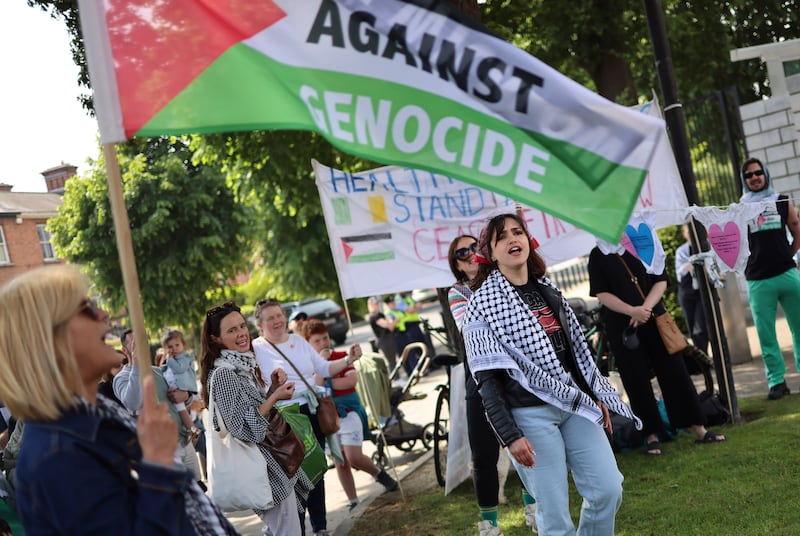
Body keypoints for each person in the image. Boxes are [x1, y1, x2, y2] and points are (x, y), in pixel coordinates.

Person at [0, 265, 236, 534]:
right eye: (86, 309)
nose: (103, 314)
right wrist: (159, 463)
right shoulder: (57, 457)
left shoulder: (97, 414)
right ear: (52, 341)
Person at [463, 214, 641, 535]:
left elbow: (573, 355)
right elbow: (486, 382)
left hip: (574, 404)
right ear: (490, 252)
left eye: (518, 232)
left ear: (529, 242)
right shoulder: (482, 306)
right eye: (501, 237)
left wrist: (593, 396)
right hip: (529, 417)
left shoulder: (549, 289)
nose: (512, 240)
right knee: (555, 516)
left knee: (608, 489)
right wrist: (510, 435)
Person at [588, 239, 726, 455]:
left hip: (654, 319)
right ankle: (650, 436)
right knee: (636, 380)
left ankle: (698, 428)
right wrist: (631, 311)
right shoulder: (598, 255)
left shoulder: (645, 242)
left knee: (675, 373)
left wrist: (644, 308)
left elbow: (660, 280)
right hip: (623, 326)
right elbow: (601, 293)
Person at [447, 234, 537, 536]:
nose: (471, 254)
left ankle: (534, 508)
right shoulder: (457, 292)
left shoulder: (504, 278)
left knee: (527, 444)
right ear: (457, 265)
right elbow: (470, 329)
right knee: (483, 455)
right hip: (480, 378)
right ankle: (489, 524)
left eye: (475, 247)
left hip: (516, 375)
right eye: (462, 252)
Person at [200, 300, 313, 535]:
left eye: (242, 326)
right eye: (232, 330)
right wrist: (273, 398)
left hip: (272, 461)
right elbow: (241, 427)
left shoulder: (242, 364)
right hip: (261, 468)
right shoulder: (224, 374)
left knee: (282, 529)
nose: (242, 334)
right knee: (288, 531)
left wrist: (272, 390)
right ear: (215, 339)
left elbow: (255, 411)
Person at [252, 298, 361, 536]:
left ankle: (320, 527)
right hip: (285, 418)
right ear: (260, 324)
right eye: (270, 318)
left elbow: (323, 369)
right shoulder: (256, 349)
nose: (277, 321)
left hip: (311, 413)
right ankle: (297, 529)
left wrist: (348, 360)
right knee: (294, 476)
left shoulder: (298, 341)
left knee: (316, 469)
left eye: (279, 315)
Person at [299, 318, 397, 511]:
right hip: (327, 418)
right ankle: (353, 500)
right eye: (317, 341)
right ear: (308, 344)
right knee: (340, 460)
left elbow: (350, 381)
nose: (323, 344)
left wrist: (325, 382)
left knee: (354, 456)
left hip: (349, 412)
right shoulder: (307, 365)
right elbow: (315, 384)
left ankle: (378, 473)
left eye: (325, 338)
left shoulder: (343, 355)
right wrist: (325, 368)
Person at [740, 157, 800, 400]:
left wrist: (789, 255)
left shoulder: (782, 200)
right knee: (766, 335)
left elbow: (797, 230)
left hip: (787, 274)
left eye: (758, 173)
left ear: (765, 174)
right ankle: (777, 382)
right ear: (744, 180)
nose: (754, 178)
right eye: (749, 175)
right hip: (757, 280)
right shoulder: (740, 207)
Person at [113, 329, 204, 485]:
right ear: (125, 350)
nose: (141, 346)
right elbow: (133, 402)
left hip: (183, 441)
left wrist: (186, 396)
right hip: (162, 449)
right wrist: (135, 363)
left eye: (143, 342)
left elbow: (183, 399)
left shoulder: (159, 371)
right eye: (135, 343)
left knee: (199, 488)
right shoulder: (121, 378)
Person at [675, 224, 710, 353]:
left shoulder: (706, 246)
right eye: (687, 231)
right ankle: (701, 357)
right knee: (691, 326)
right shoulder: (681, 251)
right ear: (684, 234)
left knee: (701, 326)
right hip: (686, 291)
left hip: (702, 291)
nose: (690, 233)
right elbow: (681, 271)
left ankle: (704, 354)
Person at [161, 329, 201, 437]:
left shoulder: (185, 358)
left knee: (181, 408)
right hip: (176, 387)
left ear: (183, 344)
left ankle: (192, 429)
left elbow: (179, 369)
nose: (174, 348)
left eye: (177, 345)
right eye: (170, 347)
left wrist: (169, 359)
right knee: (178, 408)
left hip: (183, 387)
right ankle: (190, 428)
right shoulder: (173, 358)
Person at [366, 296, 397, 371]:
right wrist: (393, 321)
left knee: (393, 359)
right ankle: (396, 379)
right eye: (374, 304)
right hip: (383, 340)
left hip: (388, 337)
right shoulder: (373, 316)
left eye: (377, 304)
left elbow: (390, 327)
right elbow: (385, 324)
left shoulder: (380, 314)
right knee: (391, 361)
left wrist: (391, 322)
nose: (377, 305)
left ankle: (397, 377)